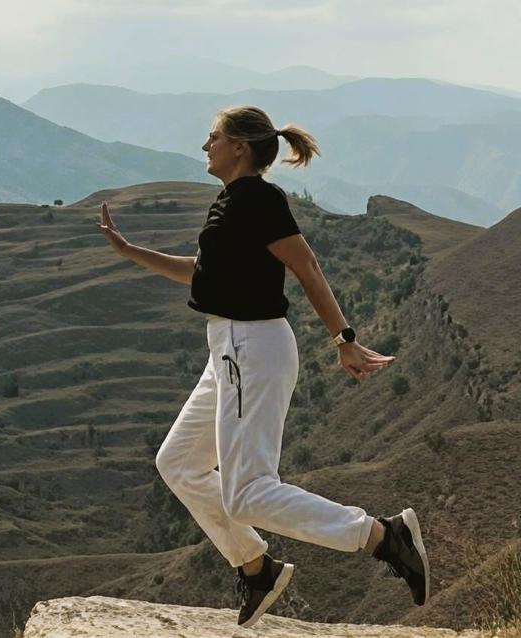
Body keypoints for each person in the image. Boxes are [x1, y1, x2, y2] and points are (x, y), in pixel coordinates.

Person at [96, 105, 429, 626]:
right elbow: (201, 273)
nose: (205, 145)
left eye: (213, 137)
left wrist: (344, 339)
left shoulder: (258, 198)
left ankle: (384, 537)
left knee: (247, 491)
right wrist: (130, 251)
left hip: (253, 348)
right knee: (179, 462)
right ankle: (257, 569)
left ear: (239, 148)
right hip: (227, 348)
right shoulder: (230, 202)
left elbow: (306, 265)